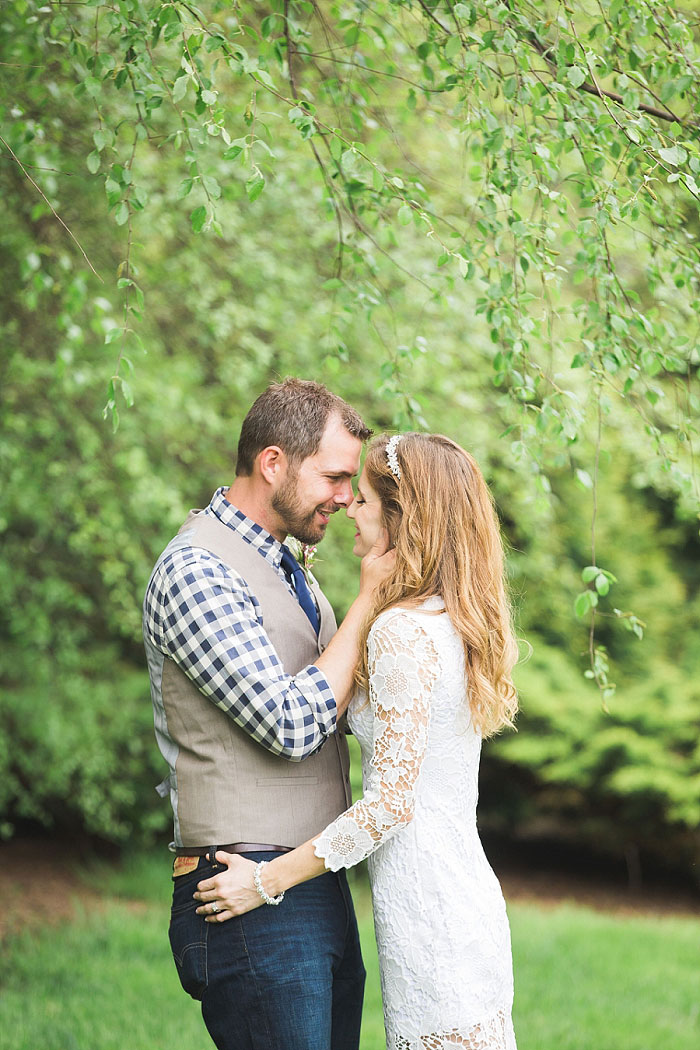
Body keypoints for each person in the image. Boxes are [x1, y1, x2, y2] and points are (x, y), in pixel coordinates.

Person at [194, 432, 520, 1050]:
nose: (349, 507)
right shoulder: (450, 621)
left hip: (430, 909)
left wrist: (263, 881)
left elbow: (390, 805)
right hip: (462, 894)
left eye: (366, 499)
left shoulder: (401, 632)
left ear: (405, 520)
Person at [142, 378, 394, 1050]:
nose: (346, 498)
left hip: (305, 883)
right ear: (273, 462)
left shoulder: (290, 571)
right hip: (242, 889)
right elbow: (290, 724)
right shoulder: (199, 568)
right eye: (336, 477)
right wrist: (370, 598)